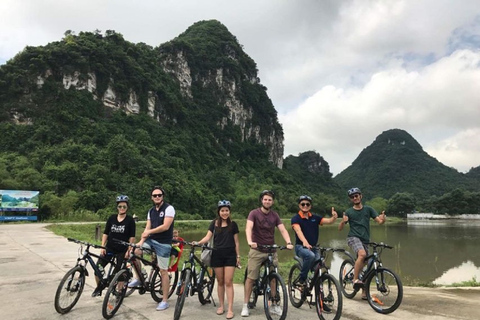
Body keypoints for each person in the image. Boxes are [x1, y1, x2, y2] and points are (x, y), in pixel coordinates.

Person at [241, 190, 294, 318]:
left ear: (272, 202)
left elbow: (282, 229)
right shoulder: (254, 213)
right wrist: (249, 241)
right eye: (265, 199)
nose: (267, 201)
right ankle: (245, 305)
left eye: (269, 200)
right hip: (257, 249)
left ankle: (274, 304)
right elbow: (248, 228)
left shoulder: (274, 215)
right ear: (261, 200)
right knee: (251, 278)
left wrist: (288, 242)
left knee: (273, 278)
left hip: (271, 250)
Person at [128, 186, 176, 311]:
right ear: (151, 197)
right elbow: (147, 228)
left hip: (164, 243)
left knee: (163, 271)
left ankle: (164, 300)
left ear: (163, 196)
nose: (157, 197)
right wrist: (141, 241)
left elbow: (165, 226)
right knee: (134, 252)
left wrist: (149, 231)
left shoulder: (169, 209)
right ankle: (139, 277)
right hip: (151, 240)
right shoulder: (151, 211)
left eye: (159, 195)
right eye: (154, 195)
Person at [194, 200, 240, 320]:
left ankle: (230, 308)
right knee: (220, 281)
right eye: (222, 210)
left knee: (228, 281)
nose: (224, 213)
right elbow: (207, 237)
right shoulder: (214, 223)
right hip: (216, 254)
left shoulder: (233, 225)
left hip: (230, 255)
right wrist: (198, 243)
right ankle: (221, 306)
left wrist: (238, 256)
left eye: (226, 210)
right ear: (219, 212)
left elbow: (236, 242)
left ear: (229, 212)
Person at [338, 187, 386, 297]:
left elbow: (379, 222)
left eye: (356, 195)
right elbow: (340, 229)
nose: (355, 198)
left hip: (365, 240)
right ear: (351, 199)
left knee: (368, 265)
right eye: (352, 197)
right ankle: (355, 279)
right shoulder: (349, 212)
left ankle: (364, 291)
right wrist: (343, 221)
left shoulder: (368, 209)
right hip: (353, 237)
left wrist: (383, 219)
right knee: (362, 254)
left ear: (361, 196)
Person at [92, 195, 136, 297]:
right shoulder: (112, 218)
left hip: (122, 250)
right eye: (120, 206)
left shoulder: (130, 220)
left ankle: (119, 291)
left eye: (124, 207)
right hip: (110, 247)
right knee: (98, 268)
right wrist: (103, 247)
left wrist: (128, 250)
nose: (122, 208)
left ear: (127, 208)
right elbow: (106, 233)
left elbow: (132, 237)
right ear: (117, 207)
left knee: (119, 272)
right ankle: (99, 287)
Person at [291, 195, 338, 287]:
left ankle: (316, 292)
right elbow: (298, 230)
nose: (305, 206)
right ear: (299, 205)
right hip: (301, 247)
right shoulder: (296, 218)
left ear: (310, 206)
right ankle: (302, 279)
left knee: (318, 268)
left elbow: (329, 221)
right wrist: (305, 242)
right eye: (303, 204)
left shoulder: (315, 218)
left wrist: (334, 217)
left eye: (307, 204)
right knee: (310, 255)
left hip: (314, 247)